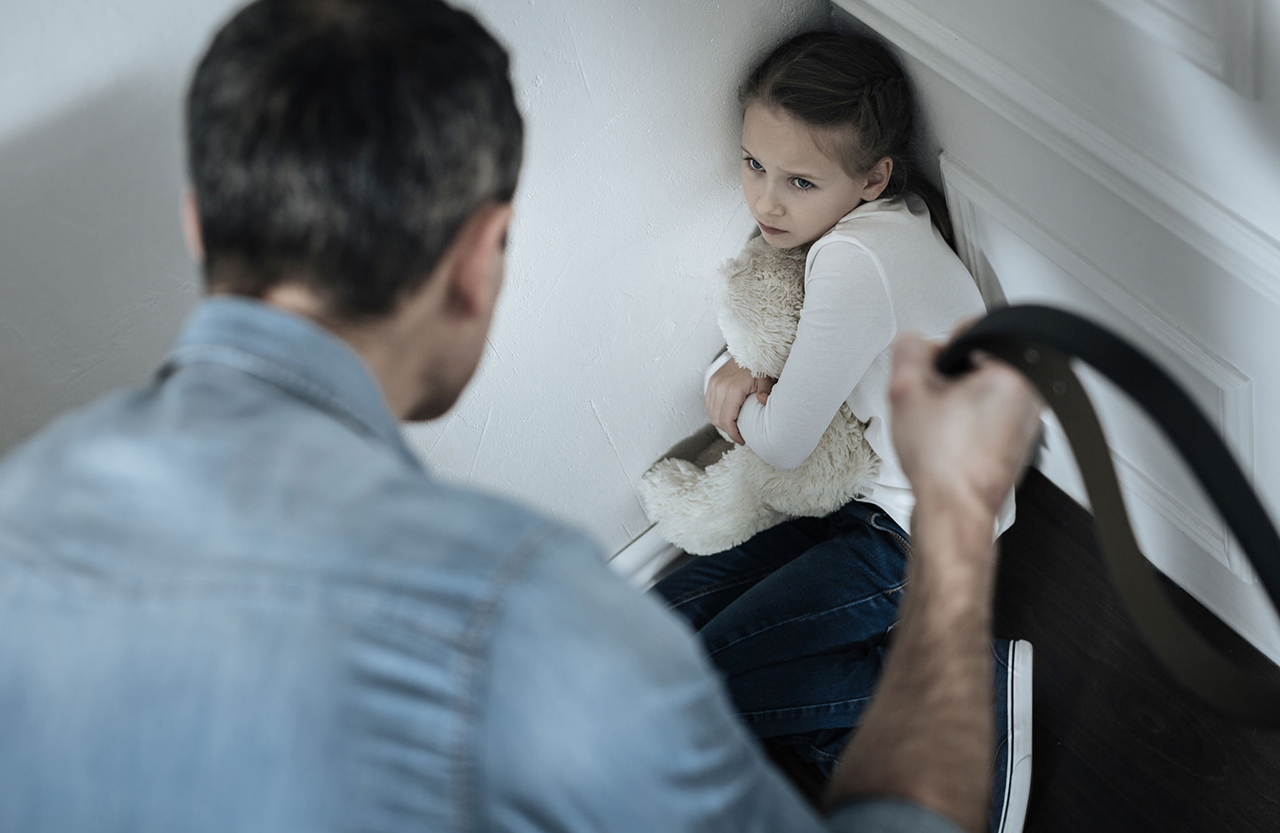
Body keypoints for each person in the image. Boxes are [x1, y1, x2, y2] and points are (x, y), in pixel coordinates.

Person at [0, 3, 1043, 832]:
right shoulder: (521, 613)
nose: (765, 196)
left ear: (197, 227)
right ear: (480, 260)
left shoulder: (24, 500)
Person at [652, 31, 1031, 831]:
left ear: (872, 178)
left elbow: (783, 440)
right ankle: (845, 736)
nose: (766, 203)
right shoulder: (891, 222)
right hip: (881, 504)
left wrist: (730, 387)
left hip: (919, 538)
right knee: (667, 616)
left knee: (689, 686)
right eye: (754, 164)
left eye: (799, 180)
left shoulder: (855, 262)